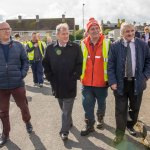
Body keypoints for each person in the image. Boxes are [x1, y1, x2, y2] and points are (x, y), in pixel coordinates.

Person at [108, 22, 150, 144]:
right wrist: (112, 81)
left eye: (132, 30)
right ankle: (119, 134)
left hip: (137, 82)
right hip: (120, 83)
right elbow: (110, 65)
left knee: (135, 108)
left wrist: (145, 76)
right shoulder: (115, 46)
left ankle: (130, 125)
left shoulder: (142, 44)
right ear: (122, 33)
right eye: (127, 31)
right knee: (120, 110)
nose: (130, 33)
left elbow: (148, 61)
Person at [42, 23, 83, 141]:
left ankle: (64, 131)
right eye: (63, 33)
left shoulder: (75, 47)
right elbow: (45, 64)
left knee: (66, 109)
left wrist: (75, 75)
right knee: (63, 107)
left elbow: (80, 63)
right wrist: (49, 77)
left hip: (70, 84)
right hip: (57, 84)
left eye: (67, 33)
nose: (66, 36)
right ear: (58, 35)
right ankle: (68, 122)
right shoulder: (50, 48)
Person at [0, 22, 33, 146]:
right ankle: (5, 134)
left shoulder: (18, 46)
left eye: (8, 29)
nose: (7, 31)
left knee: (23, 105)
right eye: (3, 29)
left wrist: (22, 74)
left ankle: (27, 121)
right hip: (1, 86)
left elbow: (25, 61)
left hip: (17, 83)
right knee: (3, 112)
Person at [80, 18, 110, 136]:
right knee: (87, 105)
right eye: (92, 29)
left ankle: (100, 119)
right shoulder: (82, 44)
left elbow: (112, 63)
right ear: (88, 31)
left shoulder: (107, 43)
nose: (95, 30)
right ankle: (89, 125)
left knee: (101, 103)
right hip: (86, 82)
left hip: (102, 82)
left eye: (97, 28)